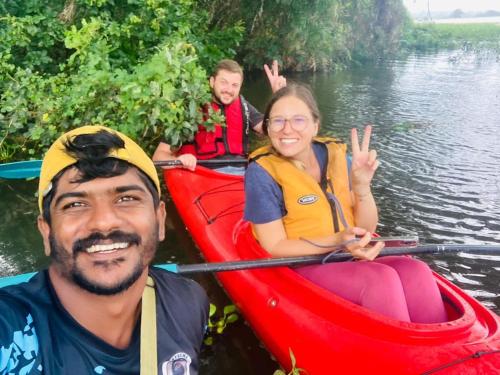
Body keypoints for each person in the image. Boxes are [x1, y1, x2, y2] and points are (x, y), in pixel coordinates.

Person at [0, 125, 208, 374]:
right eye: (75, 204)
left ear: (160, 219)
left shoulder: (188, 303)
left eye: (127, 198)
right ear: (47, 232)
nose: (104, 222)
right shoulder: (12, 329)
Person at [244, 84, 447, 323]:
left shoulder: (338, 156)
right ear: (267, 127)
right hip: (303, 263)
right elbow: (274, 246)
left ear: (314, 125)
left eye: (298, 120)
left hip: (349, 253)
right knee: (380, 280)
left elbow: (367, 227)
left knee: (417, 271)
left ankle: (447, 355)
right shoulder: (261, 172)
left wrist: (362, 188)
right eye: (277, 121)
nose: (287, 129)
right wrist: (337, 241)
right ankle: (404, 355)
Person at [152, 59, 286, 174]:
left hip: (242, 173)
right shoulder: (191, 109)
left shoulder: (244, 106)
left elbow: (273, 129)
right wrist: (179, 161)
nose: (229, 89)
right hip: (202, 173)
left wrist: (279, 97)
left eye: (235, 85)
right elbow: (159, 156)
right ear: (212, 82)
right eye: (224, 82)